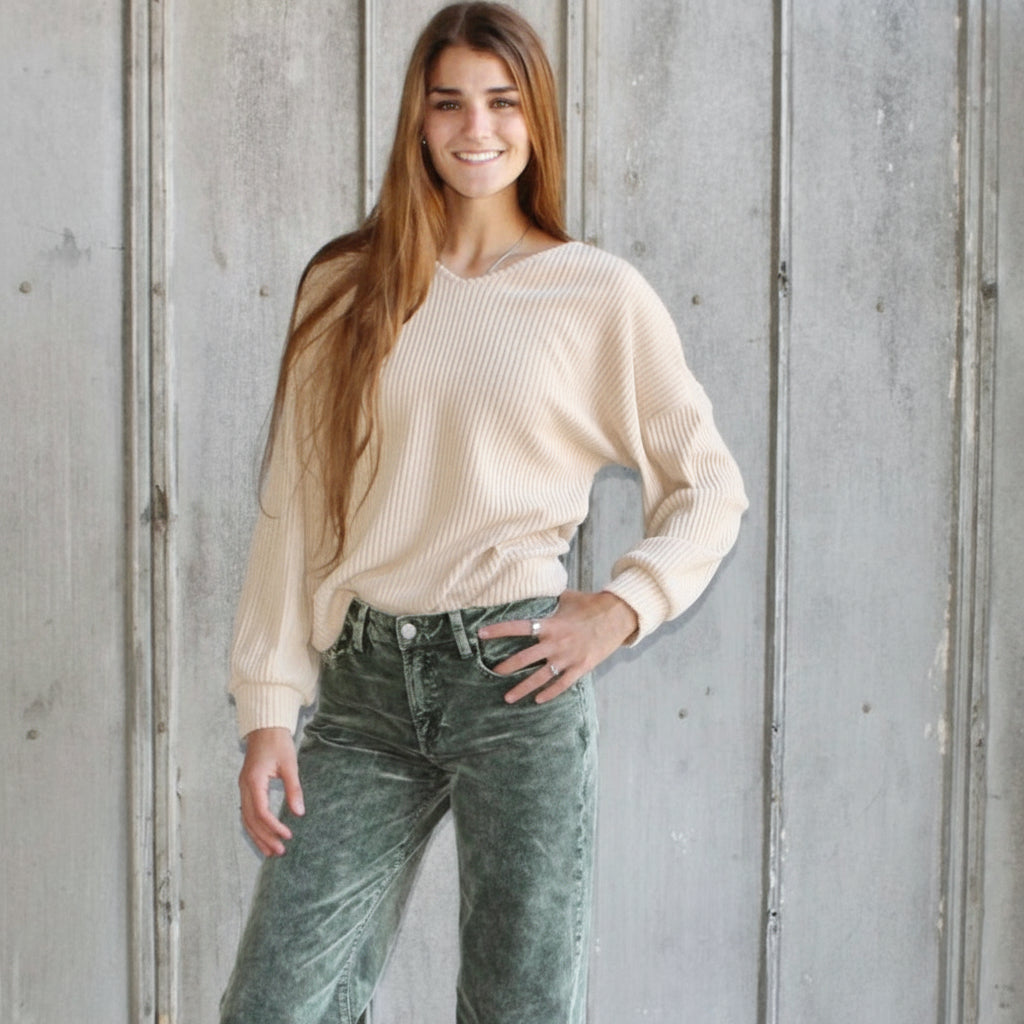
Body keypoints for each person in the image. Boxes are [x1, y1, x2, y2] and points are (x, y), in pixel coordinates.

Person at [219, 3, 747, 1022]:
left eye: (502, 103)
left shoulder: (595, 294)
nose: (476, 129)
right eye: (448, 102)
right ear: (416, 121)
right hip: (365, 692)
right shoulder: (344, 283)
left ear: (536, 119)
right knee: (277, 1002)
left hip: (516, 680)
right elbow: (291, 504)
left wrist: (620, 607)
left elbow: (709, 486)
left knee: (519, 1005)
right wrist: (267, 707)